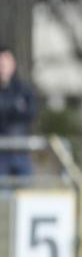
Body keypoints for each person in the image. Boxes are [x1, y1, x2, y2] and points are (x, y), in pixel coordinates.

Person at [0, 47, 37, 178]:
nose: (2, 68)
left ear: (13, 64)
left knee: (24, 195)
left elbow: (31, 113)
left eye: (5, 63)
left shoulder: (23, 90)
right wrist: (15, 108)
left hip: (21, 153)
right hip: (1, 157)